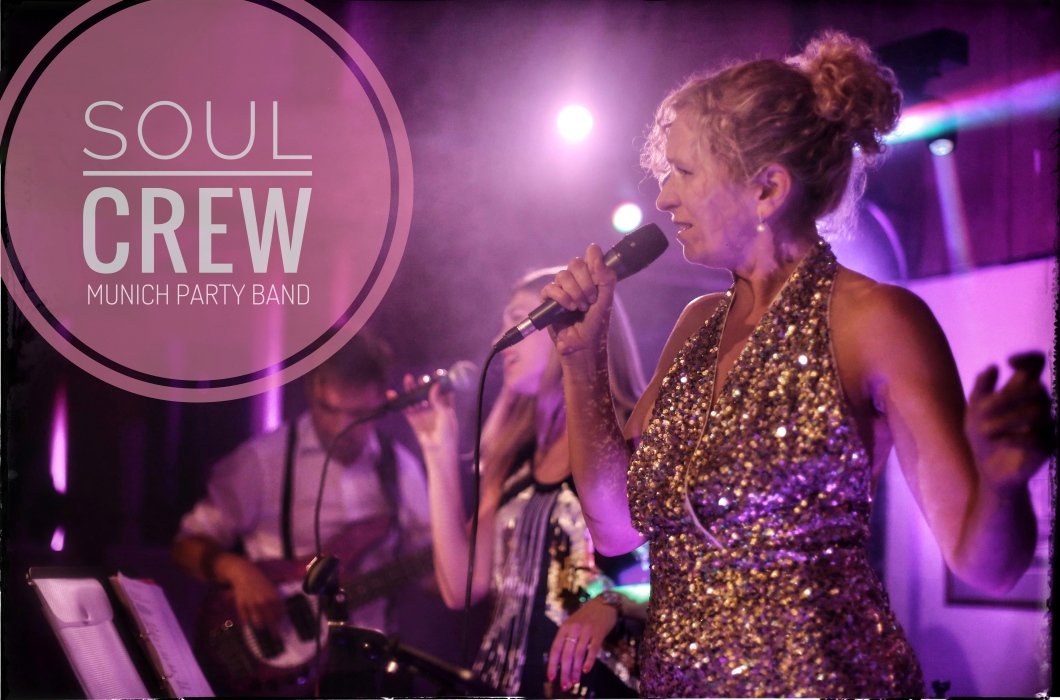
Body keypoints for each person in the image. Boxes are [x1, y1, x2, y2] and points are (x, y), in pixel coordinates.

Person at [540, 31, 1054, 698]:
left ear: (767, 190)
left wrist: (1003, 485)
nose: (664, 198)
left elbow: (987, 568)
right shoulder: (697, 325)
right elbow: (614, 527)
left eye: (685, 173)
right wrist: (582, 359)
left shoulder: (874, 321)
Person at [402, 268, 648, 698]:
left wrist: (614, 601)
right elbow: (461, 587)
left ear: (570, 322)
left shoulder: (630, 433)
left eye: (517, 317)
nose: (501, 338)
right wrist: (436, 450)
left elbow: (682, 576)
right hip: (503, 684)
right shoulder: (514, 453)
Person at [171, 333, 431, 693]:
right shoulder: (262, 461)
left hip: (370, 669)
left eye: (358, 414)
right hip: (281, 670)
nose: (341, 427)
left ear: (382, 400)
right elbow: (185, 547)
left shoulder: (401, 468)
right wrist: (237, 570)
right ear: (310, 391)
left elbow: (436, 574)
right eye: (329, 410)